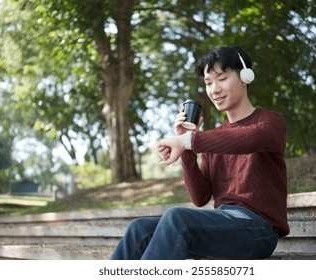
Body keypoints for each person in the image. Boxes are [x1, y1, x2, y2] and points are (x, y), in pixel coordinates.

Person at [110, 46, 289, 260]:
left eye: (222, 78)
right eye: (208, 83)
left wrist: (189, 141)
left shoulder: (270, 122)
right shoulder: (213, 139)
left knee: (177, 217)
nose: (214, 90)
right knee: (140, 228)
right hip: (224, 224)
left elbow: (251, 139)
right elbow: (200, 197)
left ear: (245, 77)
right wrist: (187, 148)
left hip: (259, 231)